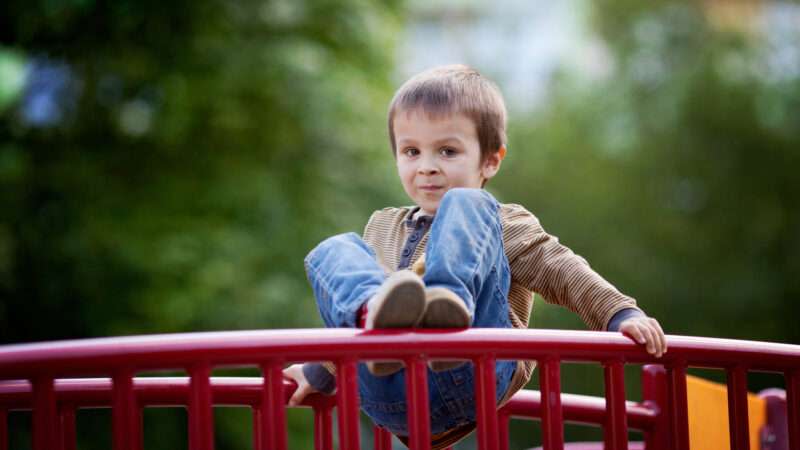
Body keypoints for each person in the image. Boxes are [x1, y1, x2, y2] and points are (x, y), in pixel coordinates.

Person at [282, 64, 667, 449]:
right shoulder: (382, 225)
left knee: (468, 203)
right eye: (411, 151)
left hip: (469, 368)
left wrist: (619, 313)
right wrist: (321, 371)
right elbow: (344, 299)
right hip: (386, 387)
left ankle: (446, 310)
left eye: (447, 151)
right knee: (333, 249)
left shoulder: (498, 221)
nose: (427, 166)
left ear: (491, 161)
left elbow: (560, 268)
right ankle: (376, 322)